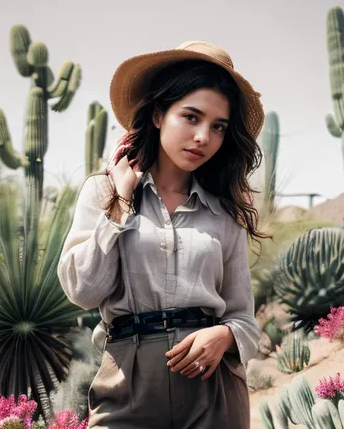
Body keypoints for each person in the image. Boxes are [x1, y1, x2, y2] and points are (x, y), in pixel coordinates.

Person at [57, 41, 267, 429]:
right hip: (127, 381)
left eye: (218, 126)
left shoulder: (225, 212)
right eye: (191, 117)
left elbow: (244, 319)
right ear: (157, 115)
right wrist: (121, 203)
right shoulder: (103, 192)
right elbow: (82, 290)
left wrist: (224, 335)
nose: (204, 136)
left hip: (212, 387)